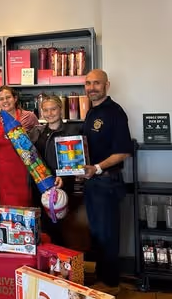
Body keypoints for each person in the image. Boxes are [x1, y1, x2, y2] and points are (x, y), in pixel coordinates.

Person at [82, 69, 133, 295]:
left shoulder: (115, 112)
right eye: (88, 83)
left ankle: (111, 285)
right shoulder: (91, 112)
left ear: (107, 85)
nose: (92, 87)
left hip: (107, 182)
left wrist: (97, 168)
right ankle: (102, 282)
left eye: (96, 83)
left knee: (108, 235)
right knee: (98, 235)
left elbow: (123, 152)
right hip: (93, 182)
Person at [29, 95, 81, 246]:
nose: (49, 113)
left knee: (57, 228)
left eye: (53, 109)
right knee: (42, 229)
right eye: (46, 110)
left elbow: (76, 163)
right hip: (39, 187)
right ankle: (45, 263)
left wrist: (64, 178)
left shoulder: (71, 131)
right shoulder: (37, 132)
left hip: (60, 187)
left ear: (61, 109)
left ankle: (60, 263)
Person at [0, 86, 38, 206]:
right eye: (1, 99)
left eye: (8, 97)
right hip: (4, 174)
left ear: (15, 98)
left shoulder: (29, 117)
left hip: (25, 172)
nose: (5, 101)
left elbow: (38, 142)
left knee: (26, 208)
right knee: (7, 209)